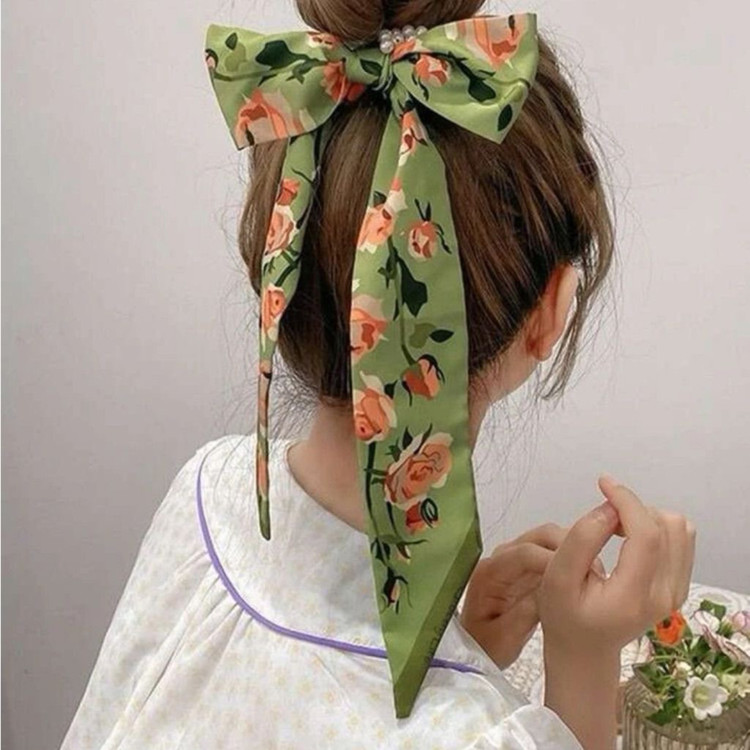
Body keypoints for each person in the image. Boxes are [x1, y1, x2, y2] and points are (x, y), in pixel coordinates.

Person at [59, 0, 696, 748]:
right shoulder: (480, 739)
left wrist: (462, 648)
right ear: (550, 311)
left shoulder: (205, 491)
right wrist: (584, 659)